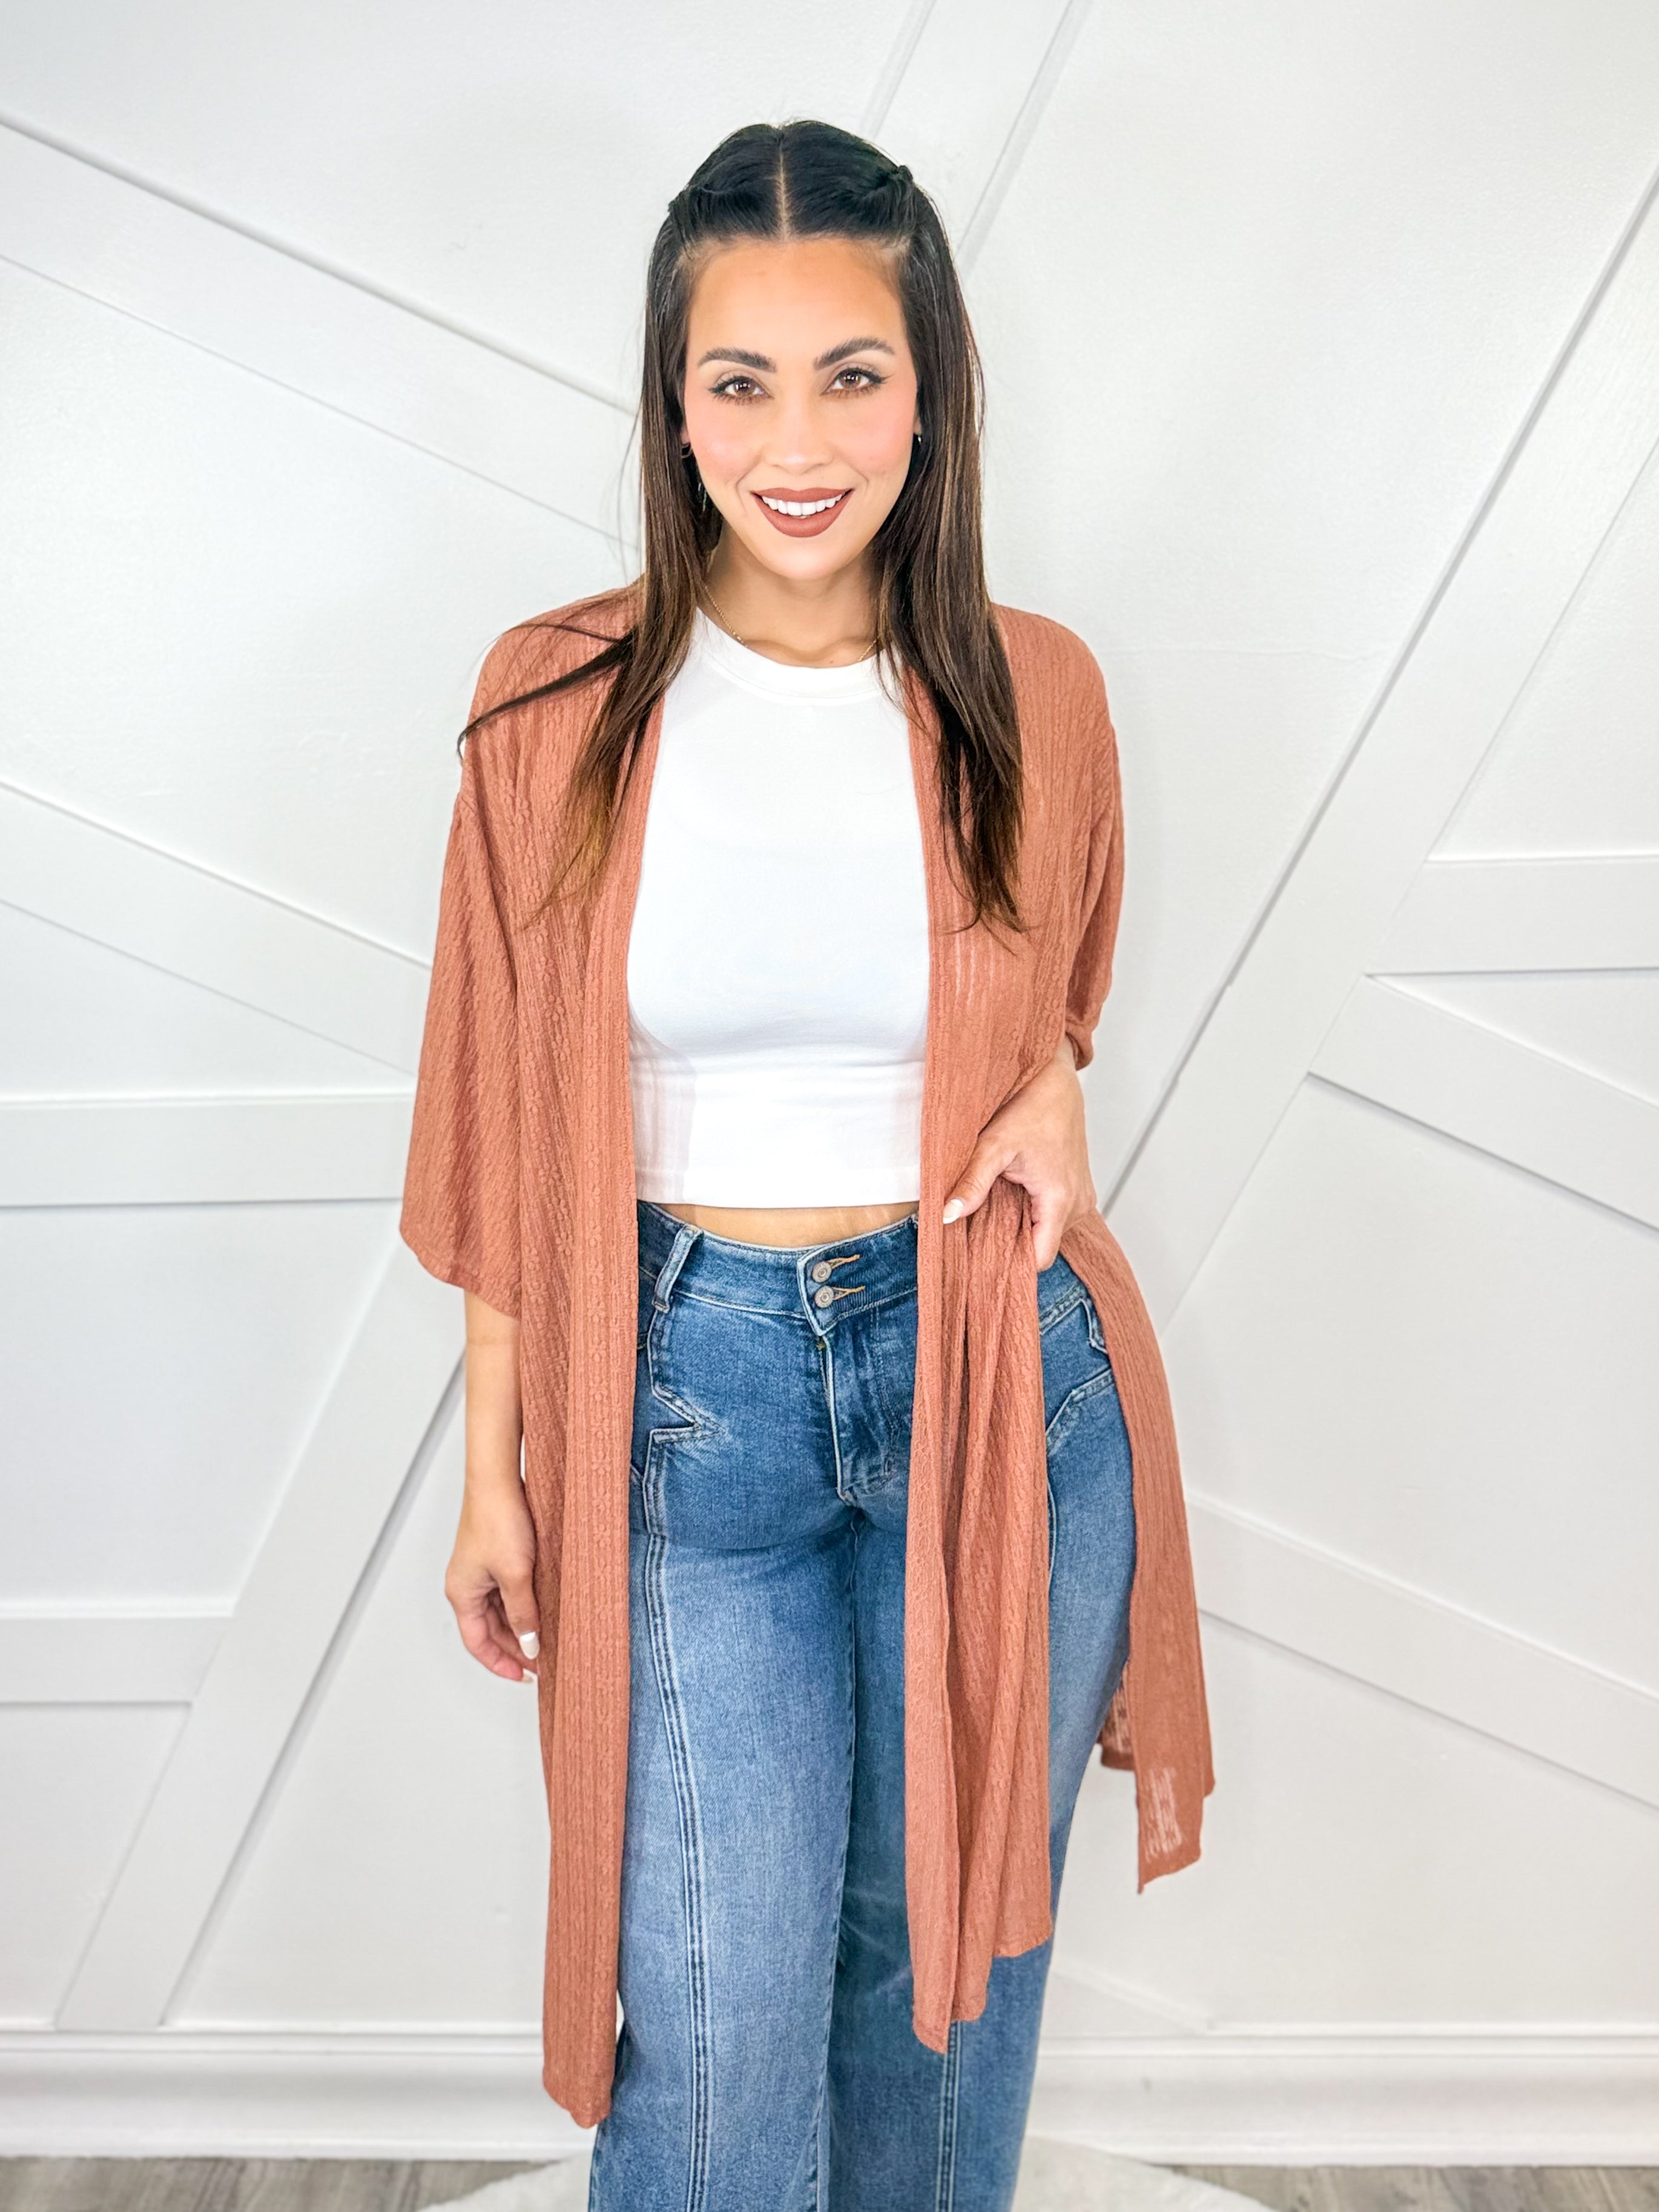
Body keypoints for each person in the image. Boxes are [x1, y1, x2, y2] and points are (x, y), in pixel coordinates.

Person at [400, 117, 1213, 2212]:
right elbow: (500, 1107)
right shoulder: (553, 702)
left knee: (938, 1984)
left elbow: (1052, 1007)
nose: (796, 442)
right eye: (738, 382)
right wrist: (493, 1469)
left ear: (928, 393)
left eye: (852, 375)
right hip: (689, 1401)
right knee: (716, 2016)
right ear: (672, 408)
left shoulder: (1038, 689)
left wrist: (1058, 1098)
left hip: (1000, 1385)